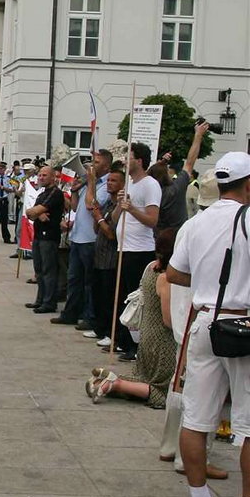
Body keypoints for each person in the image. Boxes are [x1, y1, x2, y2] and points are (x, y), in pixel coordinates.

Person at [167, 151, 250, 497]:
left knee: (196, 417)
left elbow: (173, 273)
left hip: (205, 321)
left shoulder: (196, 223)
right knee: (248, 426)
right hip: (244, 323)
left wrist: (207, 286)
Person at [87, 228, 178, 407]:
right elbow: (168, 320)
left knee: (144, 377)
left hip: (147, 336)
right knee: (164, 391)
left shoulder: (150, 267)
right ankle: (116, 383)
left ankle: (105, 382)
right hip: (162, 341)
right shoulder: (166, 278)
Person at [112, 142, 162, 360]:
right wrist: (119, 204)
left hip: (140, 250)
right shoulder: (130, 183)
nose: (124, 161)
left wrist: (131, 208)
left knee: (136, 300)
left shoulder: (150, 185)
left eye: (128, 157)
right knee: (122, 297)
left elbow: (152, 220)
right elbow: (116, 218)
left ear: (139, 161)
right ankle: (123, 341)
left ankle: (137, 346)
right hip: (123, 248)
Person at [52, 149, 111, 329]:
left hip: (91, 239)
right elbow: (77, 206)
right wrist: (76, 190)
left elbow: (91, 205)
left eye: (98, 162)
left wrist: (91, 181)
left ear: (107, 165)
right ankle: (70, 313)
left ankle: (89, 316)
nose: (93, 165)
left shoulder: (105, 184)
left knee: (89, 282)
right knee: (74, 279)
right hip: (78, 237)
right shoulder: (89, 182)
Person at [150, 121, 208, 234]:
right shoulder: (175, 189)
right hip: (178, 235)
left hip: (156, 239)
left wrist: (161, 163)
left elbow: (149, 172)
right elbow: (189, 163)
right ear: (167, 174)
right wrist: (198, 135)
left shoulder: (150, 193)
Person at [88, 166, 123, 349]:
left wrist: (99, 219)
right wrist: (97, 217)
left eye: (114, 181)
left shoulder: (119, 206)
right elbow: (97, 228)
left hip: (111, 258)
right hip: (99, 256)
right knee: (98, 295)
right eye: (108, 180)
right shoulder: (107, 204)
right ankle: (99, 328)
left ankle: (111, 333)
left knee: (109, 299)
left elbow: (111, 233)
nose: (109, 183)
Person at [25, 165, 65, 314]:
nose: (41, 178)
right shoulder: (42, 194)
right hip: (38, 234)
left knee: (49, 270)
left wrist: (36, 212)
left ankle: (49, 302)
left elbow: (34, 211)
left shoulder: (55, 193)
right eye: (40, 175)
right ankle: (40, 299)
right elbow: (31, 213)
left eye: (44, 175)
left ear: (53, 177)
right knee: (39, 270)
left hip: (49, 236)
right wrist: (36, 212)